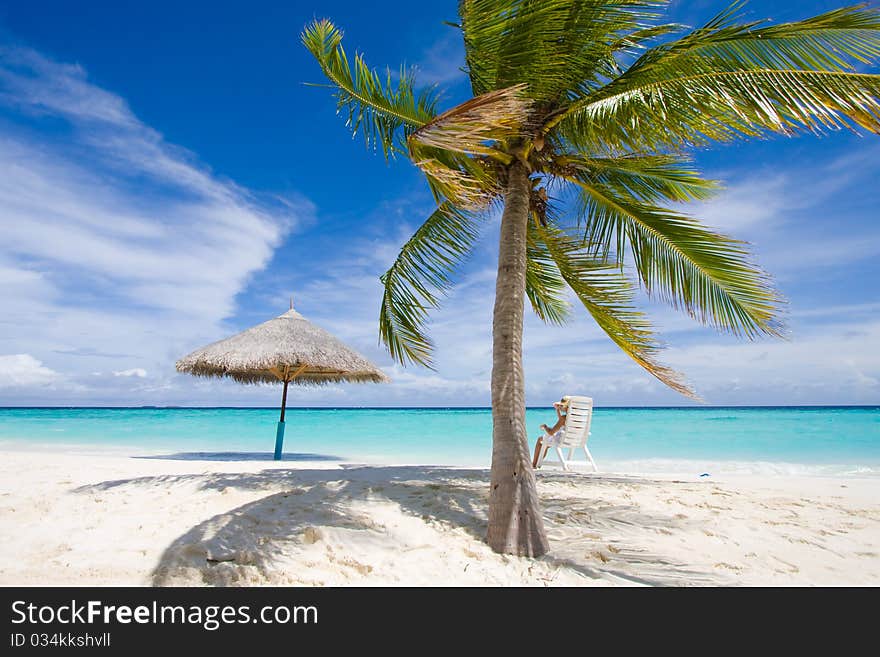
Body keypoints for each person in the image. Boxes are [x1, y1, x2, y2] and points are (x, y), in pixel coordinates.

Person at [532, 396, 569, 468]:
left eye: (562, 406)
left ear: (567, 407)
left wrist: (545, 427)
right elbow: (562, 422)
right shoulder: (575, 418)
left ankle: (534, 464)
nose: (561, 407)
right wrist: (557, 410)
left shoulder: (564, 418)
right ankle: (536, 463)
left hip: (561, 440)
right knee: (546, 443)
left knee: (540, 439)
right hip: (573, 439)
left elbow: (551, 432)